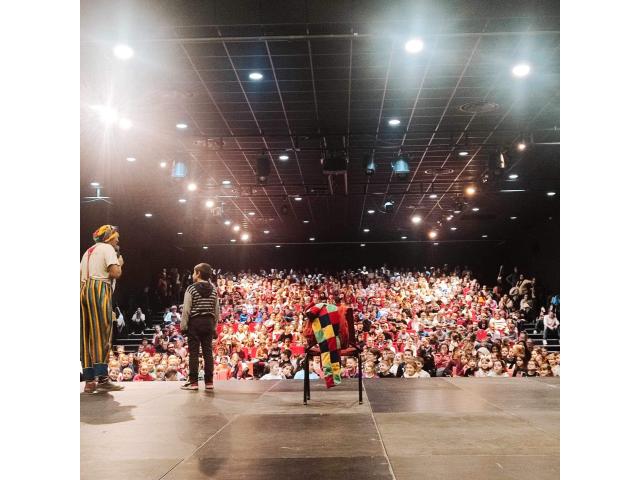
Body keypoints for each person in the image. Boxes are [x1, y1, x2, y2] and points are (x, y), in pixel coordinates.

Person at [80, 224, 125, 394]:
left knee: (86, 335)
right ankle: (103, 378)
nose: (118, 240)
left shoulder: (88, 251)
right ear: (109, 238)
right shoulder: (107, 249)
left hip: (83, 290)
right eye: (116, 237)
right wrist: (119, 263)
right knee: (102, 332)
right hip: (99, 289)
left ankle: (89, 381)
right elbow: (114, 273)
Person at [180, 263, 219, 391]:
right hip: (208, 322)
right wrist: (214, 327)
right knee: (208, 353)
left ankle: (194, 383)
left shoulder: (191, 288)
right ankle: (209, 382)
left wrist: (183, 326)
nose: (192, 275)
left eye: (193, 272)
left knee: (194, 354)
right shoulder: (213, 289)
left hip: (195, 323)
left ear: (198, 274)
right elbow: (216, 310)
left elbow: (186, 309)